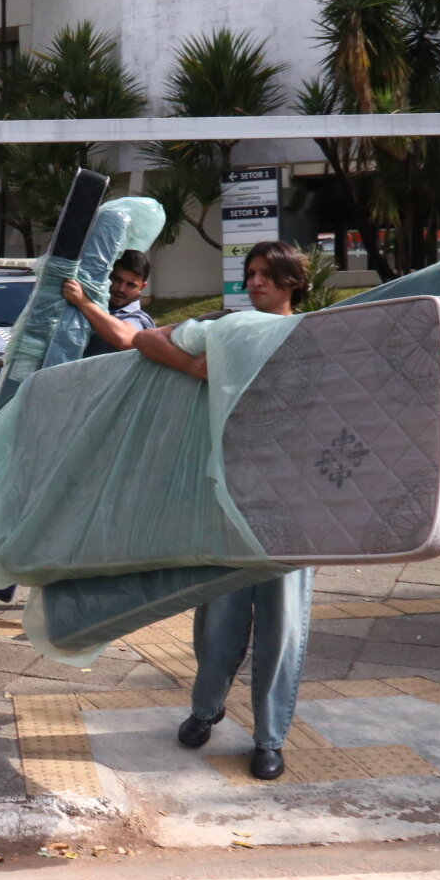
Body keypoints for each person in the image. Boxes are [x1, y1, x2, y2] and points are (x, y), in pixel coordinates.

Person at [131, 240, 313, 781]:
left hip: (296, 504)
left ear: (293, 282)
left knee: (282, 624)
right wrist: (196, 367)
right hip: (229, 493)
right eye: (250, 273)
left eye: (266, 274)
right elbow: (143, 338)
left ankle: (269, 738)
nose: (255, 282)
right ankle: (206, 709)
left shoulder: (315, 335)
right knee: (218, 615)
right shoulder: (228, 328)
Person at [61, 249, 156, 356]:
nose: (121, 289)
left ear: (142, 287)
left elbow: (124, 339)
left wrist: (83, 302)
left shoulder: (141, 319)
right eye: (117, 280)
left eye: (130, 285)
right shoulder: (94, 302)